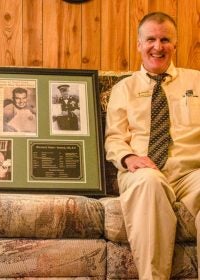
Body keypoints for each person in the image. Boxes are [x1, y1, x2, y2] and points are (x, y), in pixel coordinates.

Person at [105, 12, 200, 279]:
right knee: (149, 183)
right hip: (144, 170)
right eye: (150, 39)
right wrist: (128, 158)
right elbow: (114, 138)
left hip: (191, 172)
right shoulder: (123, 89)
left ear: (175, 45)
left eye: (165, 39)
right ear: (139, 44)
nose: (157, 47)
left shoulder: (197, 82)